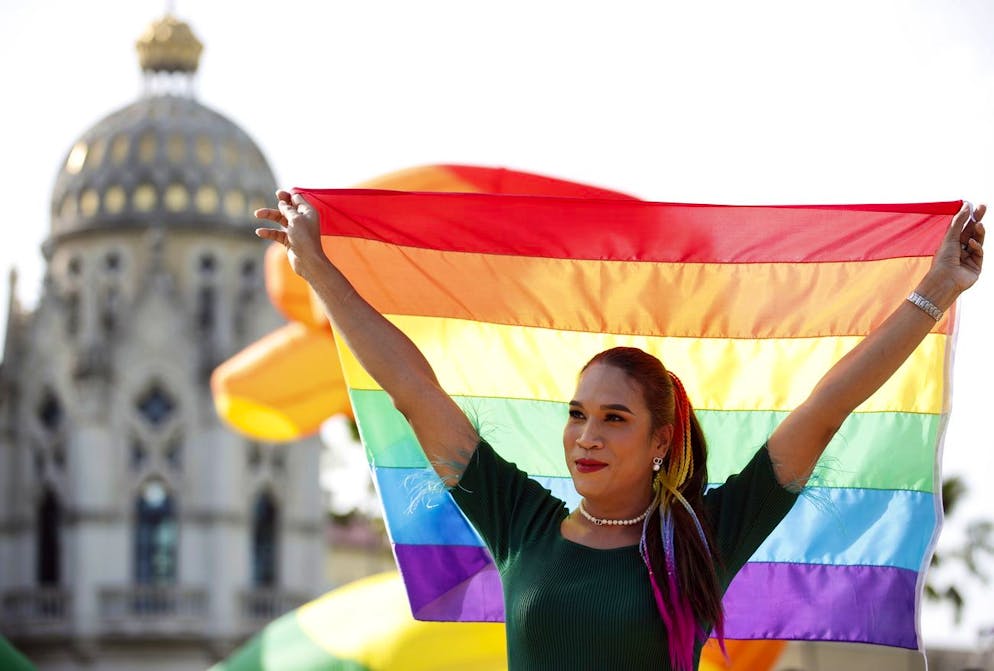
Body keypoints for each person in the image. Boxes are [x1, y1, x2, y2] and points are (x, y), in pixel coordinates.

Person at [256, 192, 985, 671]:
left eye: (613, 418)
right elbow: (414, 390)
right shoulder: (520, 522)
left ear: (661, 440)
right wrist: (318, 271)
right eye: (577, 414)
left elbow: (825, 408)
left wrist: (936, 289)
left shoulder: (705, 536)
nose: (585, 437)